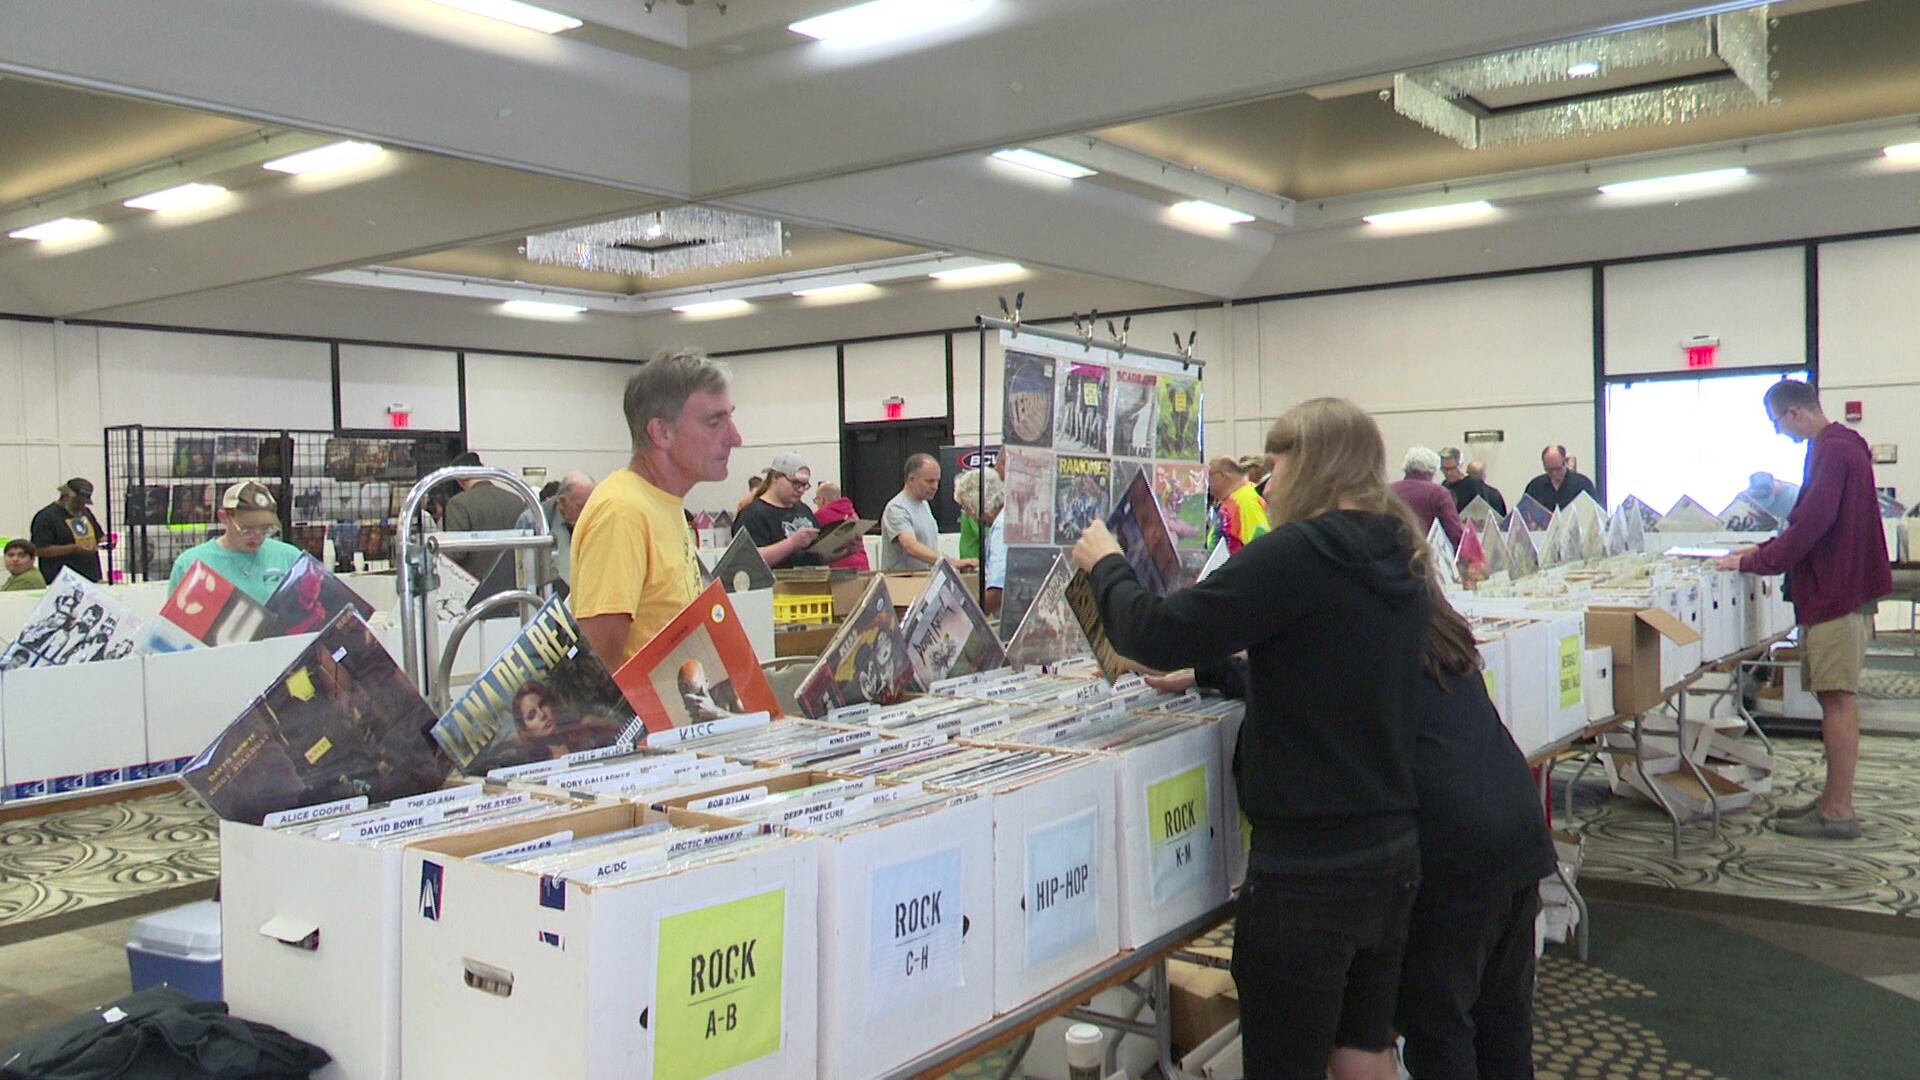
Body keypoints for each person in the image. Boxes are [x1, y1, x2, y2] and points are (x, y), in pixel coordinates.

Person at [1072, 397, 1431, 1080]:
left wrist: (1108, 563)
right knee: (1364, 1046)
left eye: (1278, 466)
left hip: (1307, 874)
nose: (1270, 484)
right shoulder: (1399, 549)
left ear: (1313, 464)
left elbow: (1153, 629)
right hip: (1390, 849)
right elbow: (1329, 667)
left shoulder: (1298, 551)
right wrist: (1208, 672)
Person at [1148, 586, 1555, 1079]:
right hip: (1515, 829)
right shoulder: (1415, 613)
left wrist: (1213, 667)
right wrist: (1216, 671)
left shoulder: (1343, 623)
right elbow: (1313, 681)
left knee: (1442, 1030)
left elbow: (1305, 688)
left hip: (1451, 857)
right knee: (1503, 1025)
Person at [1716, 379, 1892, 841]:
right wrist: (1766, 548)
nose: (1779, 433)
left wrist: (1758, 560)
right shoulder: (1840, 446)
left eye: (1778, 423)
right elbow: (1809, 518)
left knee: (1836, 698)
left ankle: (1837, 810)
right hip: (1837, 589)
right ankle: (1833, 799)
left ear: (1795, 412)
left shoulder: (1831, 449)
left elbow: (1813, 522)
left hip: (1838, 592)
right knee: (1831, 696)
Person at [572, 349, 742, 670]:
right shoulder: (623, 512)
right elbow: (596, 673)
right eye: (715, 422)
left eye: (730, 417)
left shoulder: (665, 505)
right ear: (661, 432)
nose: (735, 438)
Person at [167, 482, 305, 603]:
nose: (257, 538)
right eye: (247, 530)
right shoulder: (191, 563)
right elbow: (174, 627)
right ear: (224, 517)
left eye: (265, 529)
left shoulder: (290, 556)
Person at [882, 453, 976, 573]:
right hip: (903, 583)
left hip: (925, 579)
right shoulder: (896, 509)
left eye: (937, 481)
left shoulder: (924, 504)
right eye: (930, 481)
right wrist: (951, 562)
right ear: (911, 479)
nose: (935, 487)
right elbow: (910, 546)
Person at [444, 452, 531, 576]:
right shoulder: (516, 499)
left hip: (478, 584)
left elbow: (457, 552)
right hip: (514, 581)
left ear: (459, 479)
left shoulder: (458, 504)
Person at [736, 453, 824, 568]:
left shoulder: (804, 510)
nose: (801, 490)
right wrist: (792, 543)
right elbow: (749, 560)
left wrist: (841, 550)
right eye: (795, 483)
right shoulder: (752, 515)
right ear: (776, 477)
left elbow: (815, 556)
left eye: (805, 485)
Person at [514, 472, 594, 585]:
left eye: (591, 506)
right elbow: (521, 572)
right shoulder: (532, 521)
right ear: (562, 502)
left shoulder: (596, 519)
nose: (587, 513)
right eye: (580, 506)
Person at [31, 478, 110, 584]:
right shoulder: (46, 517)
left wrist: (106, 541)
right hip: (60, 579)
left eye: (84, 503)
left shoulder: (85, 512)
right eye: (78, 502)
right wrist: (73, 549)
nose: (81, 506)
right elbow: (40, 550)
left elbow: (98, 535)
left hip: (90, 576)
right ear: (66, 496)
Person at [955, 466, 1006, 616]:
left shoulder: (1000, 529)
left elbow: (997, 592)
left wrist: (967, 619)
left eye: (966, 507)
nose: (968, 513)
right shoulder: (1008, 518)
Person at [1392, 447, 1464, 546]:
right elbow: (1454, 531)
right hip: (1425, 555)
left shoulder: (1387, 491)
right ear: (1431, 471)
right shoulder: (1439, 493)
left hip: (1391, 556)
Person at [1205, 455, 1269, 555]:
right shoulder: (1236, 498)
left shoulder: (1246, 501)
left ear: (1222, 476)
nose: (1206, 482)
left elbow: (1262, 549)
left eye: (1208, 476)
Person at [812, 482, 871, 571]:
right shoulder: (853, 514)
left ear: (822, 499)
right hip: (862, 565)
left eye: (816, 500)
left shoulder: (820, 516)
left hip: (840, 568)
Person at [1521, 445, 1598, 512]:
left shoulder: (1583, 484)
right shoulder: (1535, 486)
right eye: (1549, 469)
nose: (1554, 473)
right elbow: (1522, 513)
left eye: (1557, 468)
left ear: (1565, 462)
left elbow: (1596, 512)